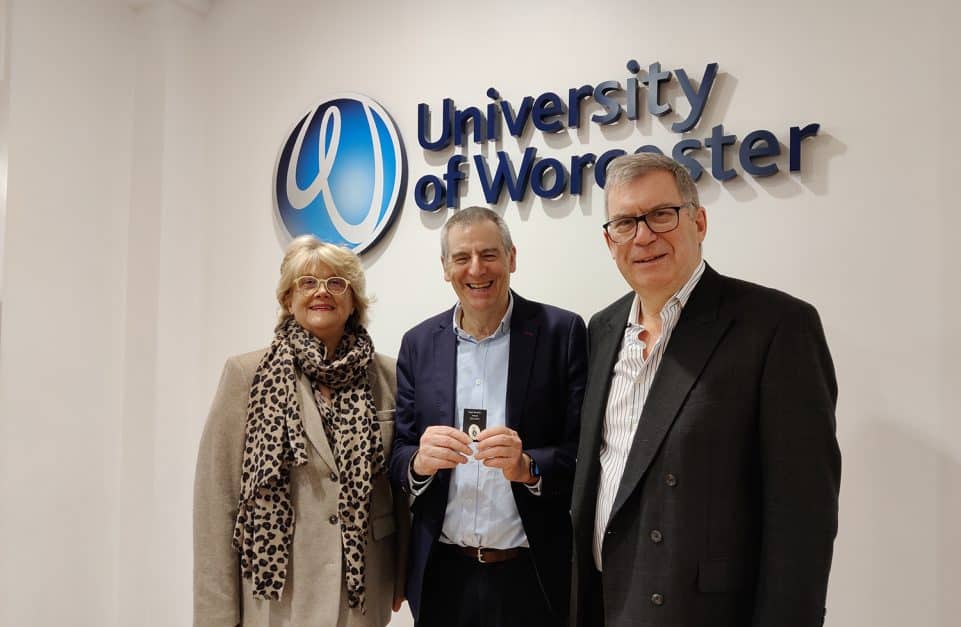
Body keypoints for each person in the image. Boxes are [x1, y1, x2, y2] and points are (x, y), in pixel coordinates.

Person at [570, 154, 841, 627]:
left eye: (661, 214)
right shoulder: (602, 328)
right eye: (626, 223)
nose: (643, 236)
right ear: (610, 241)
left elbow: (803, 516)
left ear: (698, 221)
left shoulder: (776, 326)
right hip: (603, 603)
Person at [388, 207, 588, 627]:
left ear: (512, 258)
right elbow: (399, 452)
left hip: (530, 575)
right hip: (443, 575)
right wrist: (420, 463)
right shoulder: (418, 344)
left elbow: (583, 452)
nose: (476, 269)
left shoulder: (562, 333)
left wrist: (529, 467)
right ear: (445, 268)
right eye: (462, 257)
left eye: (489, 254)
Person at [194, 235, 407, 627]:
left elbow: (403, 491)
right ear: (287, 299)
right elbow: (216, 501)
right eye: (307, 282)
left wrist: (404, 574)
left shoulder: (389, 375)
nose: (322, 292)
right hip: (279, 598)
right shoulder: (246, 375)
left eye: (336, 282)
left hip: (362, 595)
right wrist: (216, 617)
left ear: (354, 301)